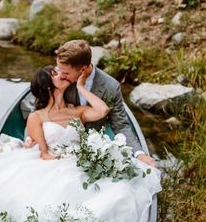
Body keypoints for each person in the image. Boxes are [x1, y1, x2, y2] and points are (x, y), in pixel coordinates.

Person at [0, 66, 161, 222]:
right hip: (53, 164)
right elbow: (44, 153)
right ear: (47, 86)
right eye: (54, 74)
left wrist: (81, 86)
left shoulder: (76, 111)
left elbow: (103, 110)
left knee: (119, 192)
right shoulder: (37, 117)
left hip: (80, 161)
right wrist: (63, 158)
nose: (60, 73)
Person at [56, 40, 157, 168]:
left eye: (65, 73)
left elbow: (120, 125)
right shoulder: (61, 79)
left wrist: (139, 153)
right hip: (65, 141)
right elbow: (45, 103)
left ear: (82, 70)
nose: (60, 75)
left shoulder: (111, 87)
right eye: (59, 69)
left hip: (97, 145)